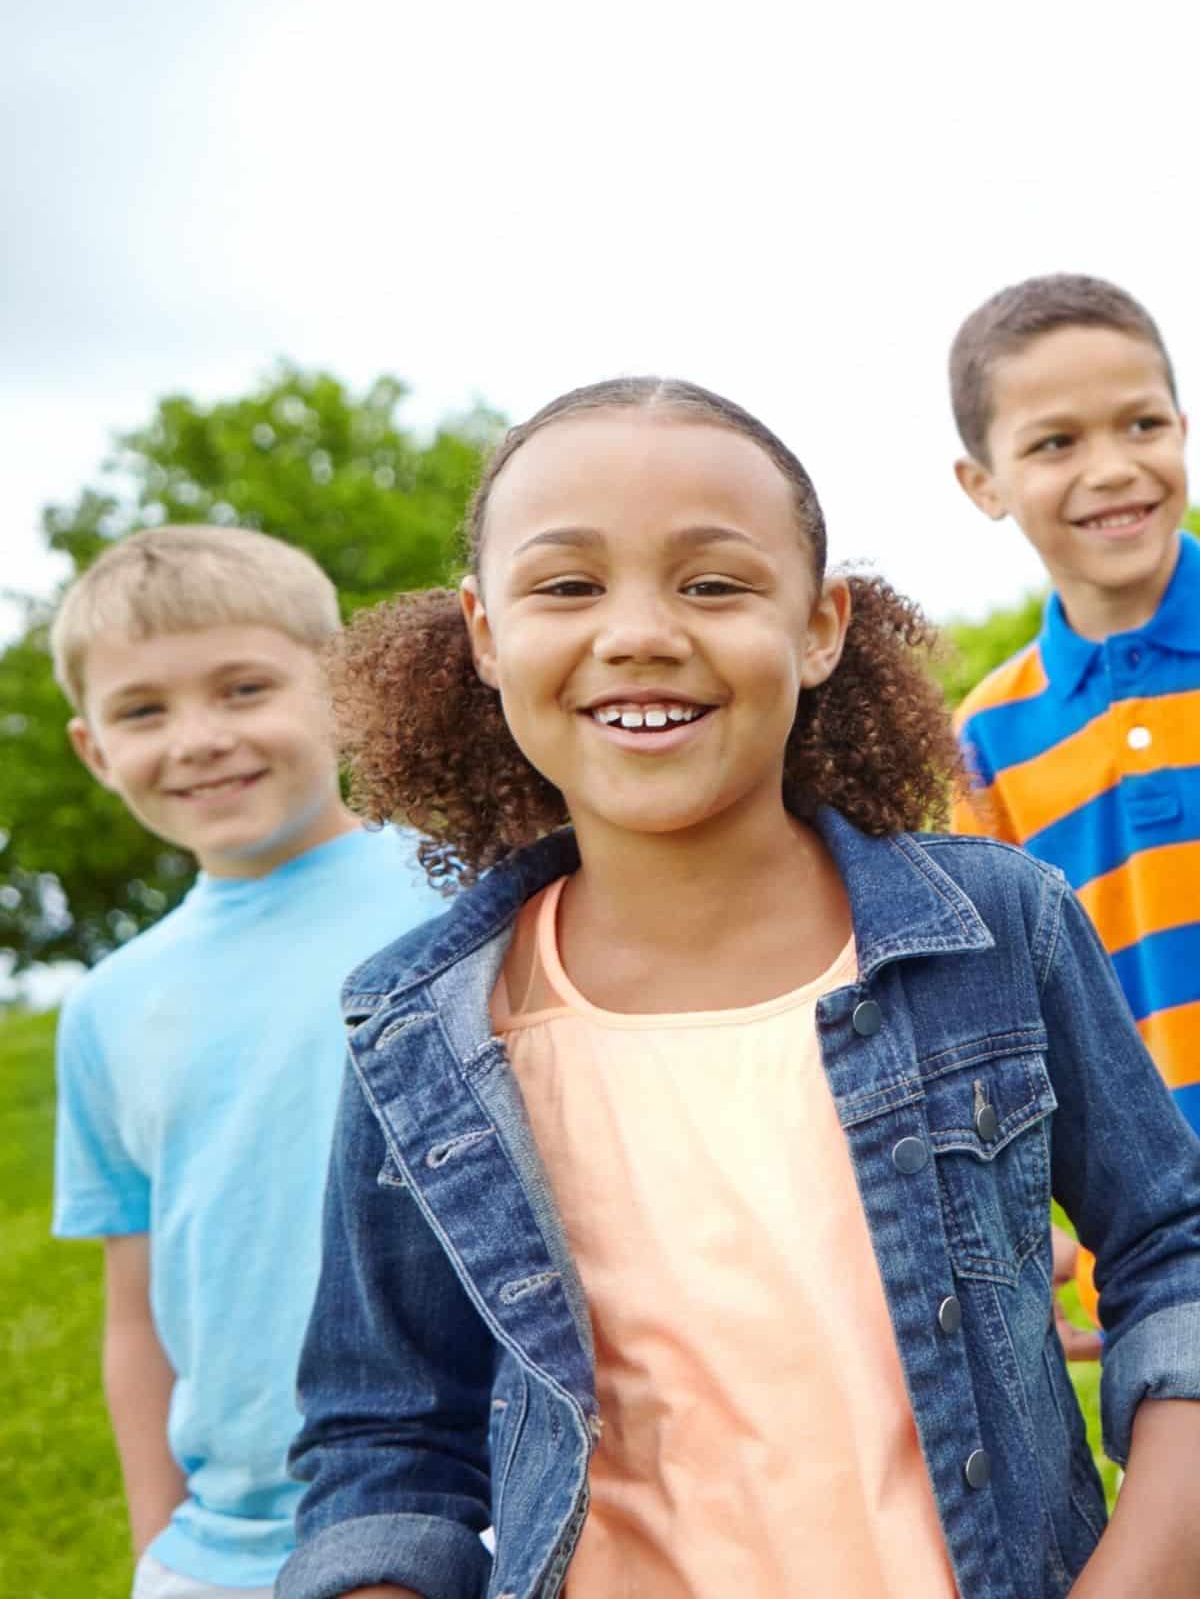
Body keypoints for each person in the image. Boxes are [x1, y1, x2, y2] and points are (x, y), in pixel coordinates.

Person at [278, 378, 1200, 1599]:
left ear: (819, 626)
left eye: (713, 583)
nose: (642, 632)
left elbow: (1172, 1249)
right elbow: (387, 1440)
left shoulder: (998, 925)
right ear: (485, 634)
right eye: (567, 586)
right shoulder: (419, 1033)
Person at [50, 526, 445, 1599]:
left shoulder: (458, 894)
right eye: (144, 711)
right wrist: (156, 1538)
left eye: (243, 689)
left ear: (338, 692)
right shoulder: (105, 1007)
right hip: (218, 1554)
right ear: (95, 749)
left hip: (457, 1509)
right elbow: (134, 1306)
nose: (199, 739)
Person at [948, 274, 1199, 1344]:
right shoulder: (988, 736)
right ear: (984, 482)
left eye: (1142, 423)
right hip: (1162, 1266)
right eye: (1055, 443)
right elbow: (999, 1016)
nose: (1113, 468)